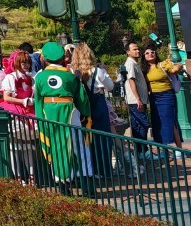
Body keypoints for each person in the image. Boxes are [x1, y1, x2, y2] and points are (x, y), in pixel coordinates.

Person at [33, 40, 90, 187]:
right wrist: (86, 115)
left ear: (44, 58)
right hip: (70, 111)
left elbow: (37, 100)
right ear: (62, 57)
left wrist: (40, 118)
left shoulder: (39, 77)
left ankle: (61, 181)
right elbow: (82, 98)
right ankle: (85, 179)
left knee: (55, 144)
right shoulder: (70, 76)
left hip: (48, 112)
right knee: (78, 144)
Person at [71, 42, 114, 180]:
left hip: (82, 107)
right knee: (103, 138)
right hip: (98, 105)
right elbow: (111, 87)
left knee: (86, 139)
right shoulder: (98, 71)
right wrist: (104, 70)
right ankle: (104, 171)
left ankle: (89, 170)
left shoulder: (73, 73)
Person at [142, 42, 183, 151]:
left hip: (166, 96)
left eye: (152, 52)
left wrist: (178, 67)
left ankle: (178, 148)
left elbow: (173, 70)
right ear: (144, 56)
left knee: (169, 121)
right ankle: (163, 149)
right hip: (154, 97)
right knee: (157, 122)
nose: (150, 54)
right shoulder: (144, 70)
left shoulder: (163, 64)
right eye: (147, 53)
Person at [120, 39, 151, 142]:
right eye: (134, 49)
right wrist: (138, 98)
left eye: (138, 49)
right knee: (142, 125)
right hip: (136, 101)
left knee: (139, 125)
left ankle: (140, 148)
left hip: (138, 100)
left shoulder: (134, 63)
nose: (137, 51)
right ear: (128, 52)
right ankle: (142, 148)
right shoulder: (130, 64)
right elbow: (131, 80)